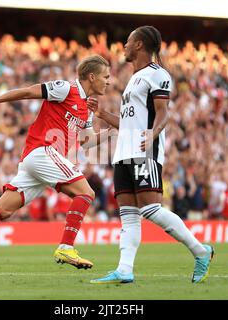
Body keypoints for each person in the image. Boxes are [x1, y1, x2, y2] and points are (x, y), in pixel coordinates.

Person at [0, 54, 112, 269]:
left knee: (3, 210)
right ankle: (66, 247)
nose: (108, 81)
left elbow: (88, 142)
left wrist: (113, 129)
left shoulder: (86, 108)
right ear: (91, 77)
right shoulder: (66, 88)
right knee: (86, 192)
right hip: (42, 151)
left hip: (38, 161)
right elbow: (28, 91)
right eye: (105, 76)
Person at [88, 26, 214, 284]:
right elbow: (127, 123)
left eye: (127, 41)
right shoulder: (134, 79)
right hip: (123, 152)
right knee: (128, 214)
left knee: (151, 209)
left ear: (139, 45)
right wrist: (102, 115)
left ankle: (201, 251)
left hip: (144, 150)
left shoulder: (158, 74)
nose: (123, 46)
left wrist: (153, 134)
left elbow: (163, 112)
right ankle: (124, 269)